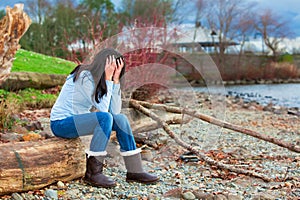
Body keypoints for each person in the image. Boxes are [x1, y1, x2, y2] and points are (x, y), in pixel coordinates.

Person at [50, 48, 159, 188]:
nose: (114, 70)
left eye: (118, 69)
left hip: (78, 121)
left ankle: (134, 170)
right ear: (104, 65)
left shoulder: (100, 80)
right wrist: (108, 78)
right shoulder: (85, 76)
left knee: (121, 119)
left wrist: (115, 80)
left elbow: (115, 110)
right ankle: (93, 173)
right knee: (105, 118)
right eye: (113, 67)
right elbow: (104, 111)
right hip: (61, 124)